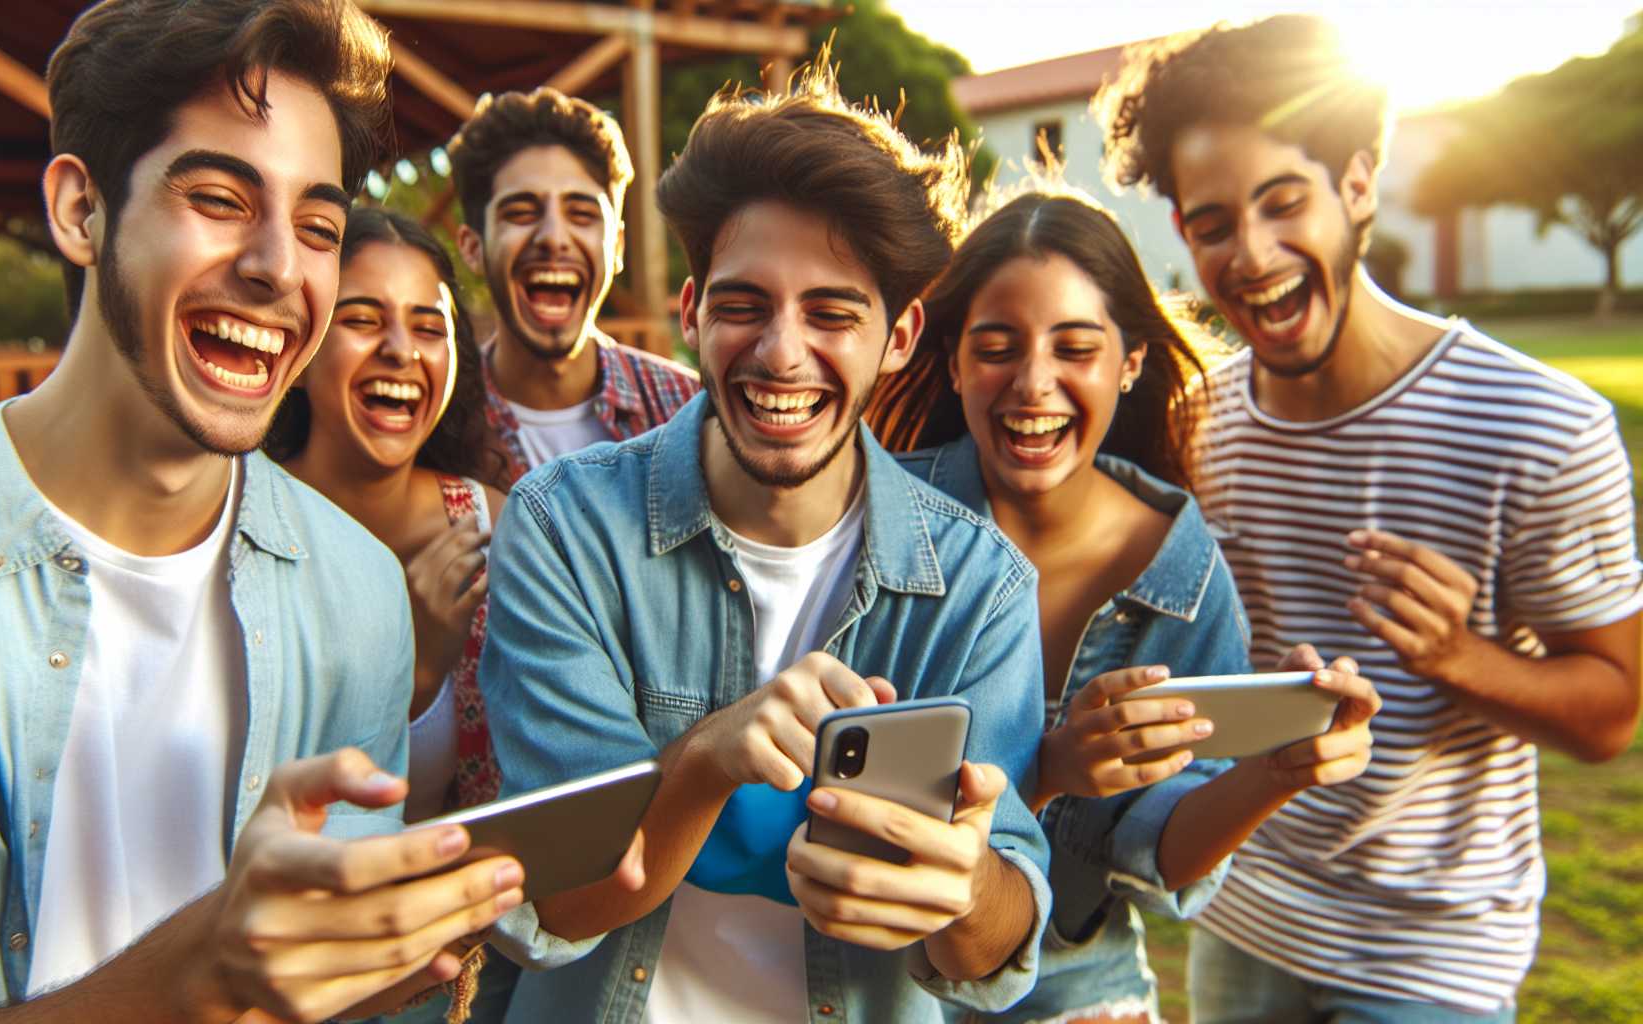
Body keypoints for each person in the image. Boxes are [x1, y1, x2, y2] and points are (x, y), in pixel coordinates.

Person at [0, 3, 544, 1021]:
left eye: (317, 226)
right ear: (82, 211)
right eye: (220, 198)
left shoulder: (356, 590)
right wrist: (210, 967)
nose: (277, 266)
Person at [477, 61, 1057, 1022]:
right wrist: (707, 759)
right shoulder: (563, 528)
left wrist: (963, 889)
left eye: (832, 312)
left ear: (901, 334)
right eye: (745, 304)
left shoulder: (981, 583)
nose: (782, 353)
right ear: (692, 312)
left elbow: (998, 944)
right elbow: (562, 903)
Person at [1096, 14, 1643, 1021]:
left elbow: (1611, 711)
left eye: (1283, 202)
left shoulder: (1540, 427)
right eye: (1213, 223)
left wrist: (1458, 656)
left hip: (1429, 949)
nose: (1251, 255)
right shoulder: (1194, 425)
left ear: (1356, 185)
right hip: (1244, 918)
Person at [869, 190, 1380, 1024]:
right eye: (996, 348)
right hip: (880, 971)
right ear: (953, 360)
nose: (1034, 384)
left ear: (1130, 362)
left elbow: (1161, 853)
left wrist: (1270, 774)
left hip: (1074, 976)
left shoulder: (1180, 568)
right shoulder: (882, 516)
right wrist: (1048, 772)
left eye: (1076, 347)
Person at [272, 207, 508, 822]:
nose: (401, 351)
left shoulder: (494, 525)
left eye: (429, 328)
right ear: (299, 346)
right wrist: (420, 664)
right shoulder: (239, 528)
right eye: (361, 319)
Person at [447, 87, 701, 485]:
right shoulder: (440, 426)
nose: (553, 236)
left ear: (616, 247)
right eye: (521, 212)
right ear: (473, 247)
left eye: (581, 213)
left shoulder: (689, 411)